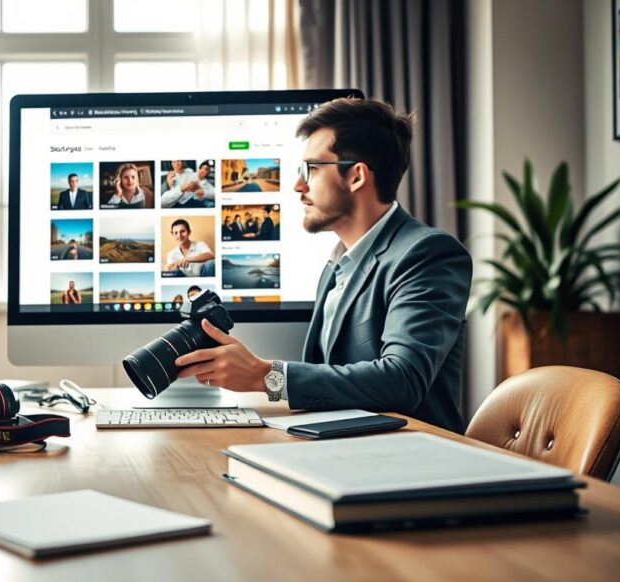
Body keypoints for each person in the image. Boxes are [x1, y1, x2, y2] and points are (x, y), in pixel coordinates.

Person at [173, 98, 471, 433]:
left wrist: (265, 375)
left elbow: (402, 380)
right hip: (341, 447)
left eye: (311, 169)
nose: (298, 186)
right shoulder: (338, 262)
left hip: (409, 460)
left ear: (356, 176)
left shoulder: (428, 253)